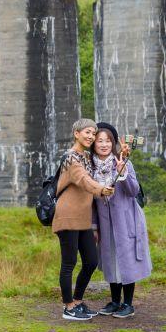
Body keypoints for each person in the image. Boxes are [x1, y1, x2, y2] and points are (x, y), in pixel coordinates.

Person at [53, 118, 116, 320]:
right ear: (76, 133)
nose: (91, 136)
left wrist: (122, 155)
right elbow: (83, 180)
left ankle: (78, 301)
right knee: (69, 262)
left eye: (93, 133)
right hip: (67, 216)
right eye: (87, 132)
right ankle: (68, 307)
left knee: (90, 261)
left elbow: (103, 166)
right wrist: (101, 189)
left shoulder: (87, 156)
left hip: (83, 218)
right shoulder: (71, 158)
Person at [90, 122, 152, 318]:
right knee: (110, 259)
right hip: (105, 221)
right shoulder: (90, 166)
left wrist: (122, 173)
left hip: (126, 219)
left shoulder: (123, 162)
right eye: (99, 140)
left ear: (114, 142)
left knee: (126, 259)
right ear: (93, 144)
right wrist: (94, 226)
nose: (104, 144)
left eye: (108, 140)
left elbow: (133, 191)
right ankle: (114, 301)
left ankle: (128, 304)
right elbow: (90, 200)